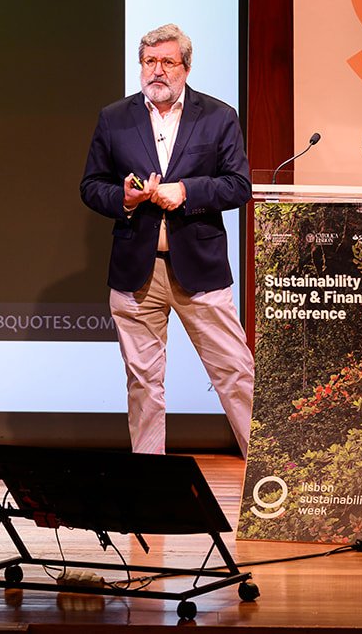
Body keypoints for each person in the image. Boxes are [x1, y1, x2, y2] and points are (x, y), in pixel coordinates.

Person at [79, 23, 254, 456]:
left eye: (167, 63)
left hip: (200, 270)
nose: (157, 71)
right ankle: (149, 486)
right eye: (149, 62)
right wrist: (124, 197)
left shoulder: (217, 116)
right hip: (137, 271)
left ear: (186, 68)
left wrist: (187, 191)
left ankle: (270, 478)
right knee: (143, 383)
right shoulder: (114, 118)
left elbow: (238, 185)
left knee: (234, 373)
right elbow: (91, 185)